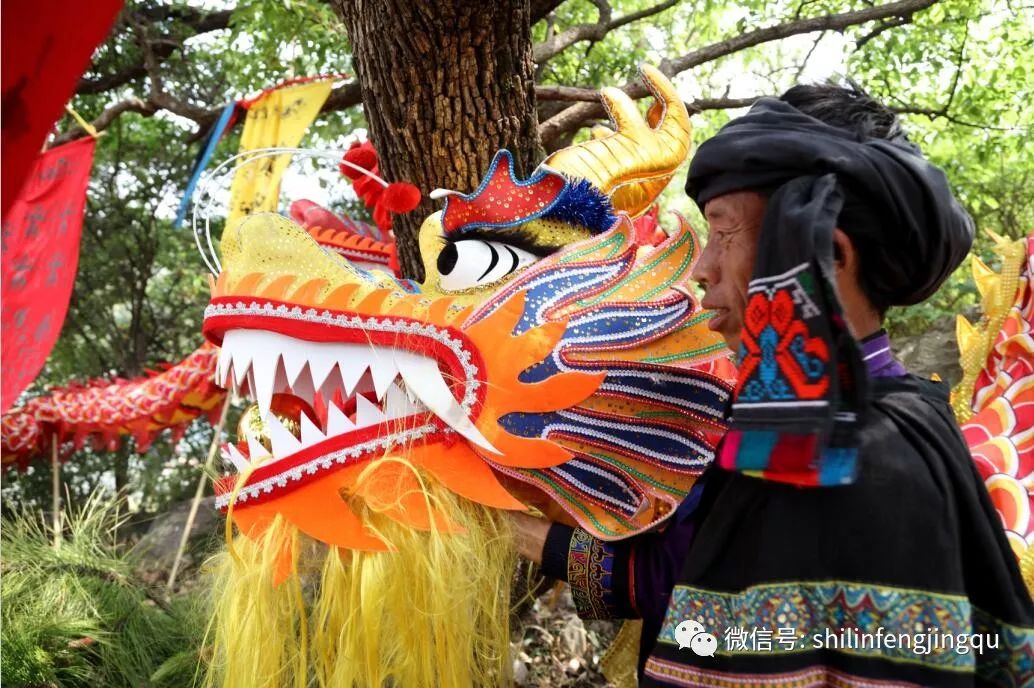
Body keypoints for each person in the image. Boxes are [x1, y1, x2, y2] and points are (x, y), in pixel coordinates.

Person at [508, 83, 1034, 687]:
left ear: (828, 253)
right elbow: (685, 574)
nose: (702, 269)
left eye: (724, 233)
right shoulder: (819, 427)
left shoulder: (866, 462)